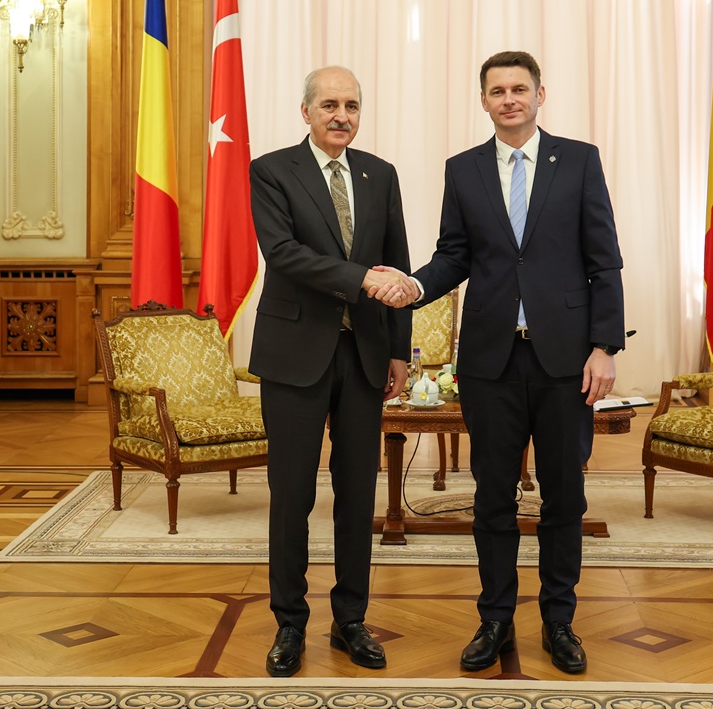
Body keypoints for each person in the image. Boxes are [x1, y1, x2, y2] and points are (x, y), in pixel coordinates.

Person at [375, 50, 624, 674]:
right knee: (492, 498)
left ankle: (560, 622)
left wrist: (605, 347)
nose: (509, 99)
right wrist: (413, 285)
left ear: (541, 94)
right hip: (491, 363)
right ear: (483, 100)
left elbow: (604, 261)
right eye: (497, 90)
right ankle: (494, 619)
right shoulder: (463, 170)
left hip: (566, 362)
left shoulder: (580, 160)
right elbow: (453, 256)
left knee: (564, 496)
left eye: (519, 88)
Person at [248, 65, 414, 677]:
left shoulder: (380, 174)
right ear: (306, 111)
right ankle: (290, 624)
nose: (341, 115)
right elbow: (283, 254)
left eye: (351, 105)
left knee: (357, 492)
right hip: (295, 354)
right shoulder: (271, 170)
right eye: (329, 105)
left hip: (364, 354)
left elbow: (396, 263)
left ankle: (351, 620)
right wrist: (360, 278)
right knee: (292, 493)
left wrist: (399, 350)